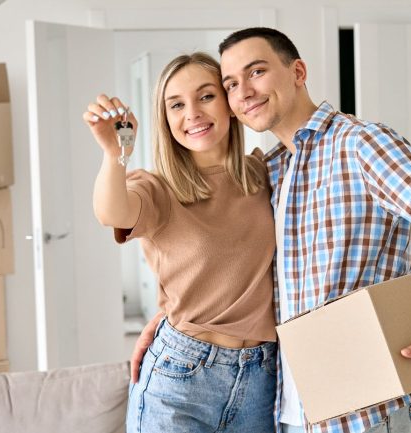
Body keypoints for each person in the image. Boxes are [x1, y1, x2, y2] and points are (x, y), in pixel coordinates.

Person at [132, 28, 411, 433]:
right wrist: (174, 320)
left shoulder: (360, 144)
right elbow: (243, 267)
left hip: (368, 414)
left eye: (257, 71)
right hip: (290, 413)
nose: (243, 91)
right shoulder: (269, 171)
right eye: (230, 84)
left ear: (297, 71)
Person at [85, 52, 278, 433]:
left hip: (262, 378)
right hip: (181, 377)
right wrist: (115, 152)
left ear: (230, 104)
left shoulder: (265, 173)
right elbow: (112, 213)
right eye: (176, 104)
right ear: (165, 118)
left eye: (206, 96)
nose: (192, 112)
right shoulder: (158, 189)